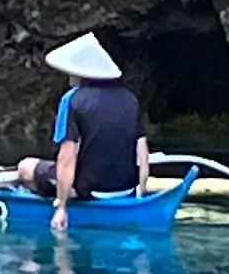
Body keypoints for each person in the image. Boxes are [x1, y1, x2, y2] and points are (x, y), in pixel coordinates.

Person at [16, 31, 149, 236]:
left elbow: (67, 159)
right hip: (125, 188)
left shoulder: (73, 100)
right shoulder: (130, 99)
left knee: (25, 167)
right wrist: (140, 193)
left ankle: (42, 202)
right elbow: (142, 154)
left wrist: (61, 208)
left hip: (89, 189)